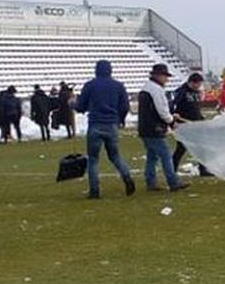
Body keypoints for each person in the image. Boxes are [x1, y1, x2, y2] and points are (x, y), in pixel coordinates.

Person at [75, 59, 136, 199]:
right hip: (111, 125)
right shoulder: (118, 86)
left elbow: (81, 107)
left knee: (93, 159)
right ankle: (127, 177)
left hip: (95, 124)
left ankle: (94, 191)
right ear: (110, 70)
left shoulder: (90, 85)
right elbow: (125, 106)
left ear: (96, 70)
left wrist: (73, 104)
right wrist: (120, 120)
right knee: (115, 156)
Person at [138, 63, 189, 192]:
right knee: (165, 155)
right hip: (155, 128)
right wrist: (171, 121)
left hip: (145, 128)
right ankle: (173, 182)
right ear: (158, 76)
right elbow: (162, 111)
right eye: (165, 76)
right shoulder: (156, 90)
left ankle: (151, 181)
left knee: (152, 156)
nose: (166, 79)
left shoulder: (146, 88)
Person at [172, 72, 212, 177]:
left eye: (200, 84)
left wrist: (201, 118)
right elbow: (172, 104)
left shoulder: (194, 92)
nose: (198, 86)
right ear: (191, 82)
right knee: (181, 148)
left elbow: (194, 108)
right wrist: (173, 115)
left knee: (201, 146)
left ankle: (203, 169)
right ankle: (172, 170)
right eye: (197, 84)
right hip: (184, 125)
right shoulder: (182, 92)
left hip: (195, 124)